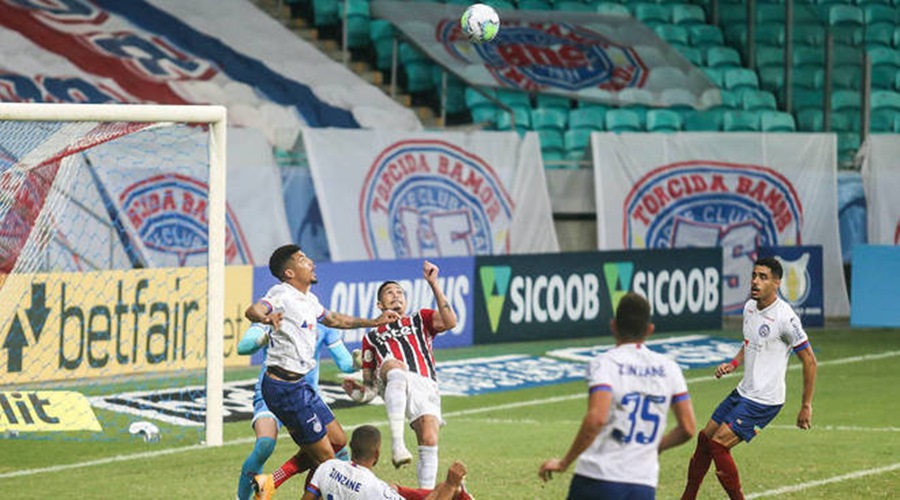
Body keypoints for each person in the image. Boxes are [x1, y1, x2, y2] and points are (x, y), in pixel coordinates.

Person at [245, 244, 400, 500]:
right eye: (303, 259)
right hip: (284, 389)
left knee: (338, 442)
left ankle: (270, 482)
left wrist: (373, 322)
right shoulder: (280, 294)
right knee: (329, 464)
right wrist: (264, 318)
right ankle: (277, 486)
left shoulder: (309, 300)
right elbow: (254, 309)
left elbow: (334, 320)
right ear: (289, 273)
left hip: (301, 385)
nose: (311, 262)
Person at [681, 257, 818, 500]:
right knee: (705, 439)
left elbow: (809, 359)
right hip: (744, 391)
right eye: (754, 275)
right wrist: (733, 364)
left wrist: (806, 405)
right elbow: (750, 343)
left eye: (763, 277)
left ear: (777, 283)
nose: (755, 282)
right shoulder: (750, 308)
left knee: (719, 444)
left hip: (765, 399)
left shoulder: (785, 318)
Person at [539, 292, 696, 499]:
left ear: (613, 326)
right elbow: (688, 428)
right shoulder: (670, 368)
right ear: (649, 330)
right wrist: (655, 446)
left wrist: (564, 462)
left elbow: (597, 418)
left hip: (598, 479)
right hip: (643, 484)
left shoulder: (604, 364)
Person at [342, 260, 457, 489]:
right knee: (395, 367)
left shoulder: (420, 318)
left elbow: (450, 322)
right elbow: (371, 387)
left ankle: (425, 494)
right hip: (392, 378)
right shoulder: (372, 337)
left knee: (429, 439)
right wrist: (357, 393)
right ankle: (397, 444)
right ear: (379, 303)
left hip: (425, 384)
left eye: (400, 292)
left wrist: (433, 283)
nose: (396, 295)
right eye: (389, 293)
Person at [234, 322, 358, 500]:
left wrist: (358, 363)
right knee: (265, 445)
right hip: (272, 393)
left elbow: (345, 363)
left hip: (307, 395)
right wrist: (260, 338)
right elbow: (243, 347)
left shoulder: (320, 318)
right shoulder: (272, 314)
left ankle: (269, 483)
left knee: (337, 445)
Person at [302, 425, 472, 500]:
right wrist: (450, 486)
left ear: (351, 446)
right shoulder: (376, 488)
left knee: (438, 489)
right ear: (377, 453)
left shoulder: (327, 467)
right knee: (444, 489)